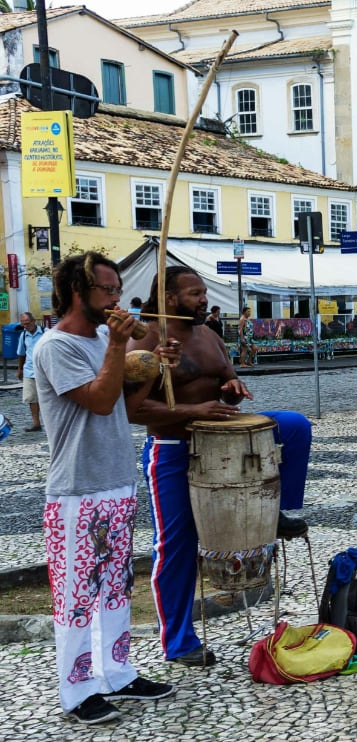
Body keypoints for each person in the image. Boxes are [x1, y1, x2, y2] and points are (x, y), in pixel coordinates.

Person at [126, 267, 312, 668]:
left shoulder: (209, 334)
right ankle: (178, 641)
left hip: (223, 437)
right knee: (175, 546)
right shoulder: (144, 337)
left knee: (295, 426)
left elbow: (228, 383)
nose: (203, 300)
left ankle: (283, 511)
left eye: (204, 292)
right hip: (174, 448)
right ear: (169, 297)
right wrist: (193, 409)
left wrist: (233, 389)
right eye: (194, 293)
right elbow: (132, 410)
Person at [35, 252, 176, 723]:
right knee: (76, 595)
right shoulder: (56, 347)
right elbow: (96, 402)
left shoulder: (100, 338)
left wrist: (154, 367)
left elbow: (124, 407)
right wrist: (118, 346)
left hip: (116, 481)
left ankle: (117, 672)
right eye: (108, 290)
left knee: (115, 588)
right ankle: (77, 691)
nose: (118, 299)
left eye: (118, 290)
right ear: (79, 291)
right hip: (77, 490)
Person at [16, 311, 44, 432]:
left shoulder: (45, 333)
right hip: (29, 370)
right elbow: (22, 354)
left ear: (33, 321)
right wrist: (20, 368)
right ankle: (36, 423)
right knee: (31, 398)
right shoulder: (23, 336)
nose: (26, 326)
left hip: (44, 371)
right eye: (23, 324)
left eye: (27, 323)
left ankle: (50, 422)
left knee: (46, 398)